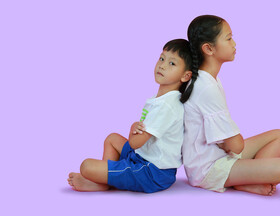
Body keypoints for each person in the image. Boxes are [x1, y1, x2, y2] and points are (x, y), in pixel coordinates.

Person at [182, 15, 280, 196]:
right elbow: (236, 146)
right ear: (209, 48)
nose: (234, 43)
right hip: (209, 169)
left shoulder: (209, 79)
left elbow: (229, 143)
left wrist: (228, 144)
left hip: (221, 155)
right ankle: (250, 178)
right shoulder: (205, 88)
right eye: (228, 38)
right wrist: (230, 144)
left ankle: (252, 177)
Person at [68, 39, 194, 193]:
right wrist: (136, 129)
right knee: (112, 138)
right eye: (162, 58)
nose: (162, 65)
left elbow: (135, 143)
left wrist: (132, 129)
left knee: (86, 166)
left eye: (172, 63)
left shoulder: (166, 106)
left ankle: (103, 182)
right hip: (143, 156)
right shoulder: (164, 99)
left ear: (186, 76)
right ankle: (106, 179)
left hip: (152, 172)